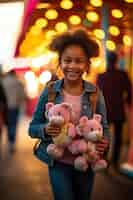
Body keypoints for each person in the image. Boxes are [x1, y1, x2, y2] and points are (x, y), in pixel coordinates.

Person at [28, 29, 110, 200]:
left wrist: (104, 143)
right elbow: (32, 128)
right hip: (58, 163)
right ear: (60, 62)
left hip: (86, 162)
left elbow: (104, 127)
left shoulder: (95, 93)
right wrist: (46, 129)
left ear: (87, 65)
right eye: (67, 60)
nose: (72, 66)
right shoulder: (50, 91)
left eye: (79, 61)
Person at [97, 51, 132, 168]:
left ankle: (104, 159)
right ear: (116, 60)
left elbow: (97, 95)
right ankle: (115, 162)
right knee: (118, 137)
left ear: (108, 60)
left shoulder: (101, 76)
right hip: (118, 109)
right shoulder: (123, 75)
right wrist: (127, 102)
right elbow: (130, 92)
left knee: (105, 136)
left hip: (105, 110)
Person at [2, 70, 26, 153]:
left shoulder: (3, 81)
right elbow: (22, 95)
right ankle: (11, 143)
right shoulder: (18, 82)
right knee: (13, 125)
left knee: (6, 125)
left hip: (4, 107)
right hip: (14, 106)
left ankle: (8, 140)